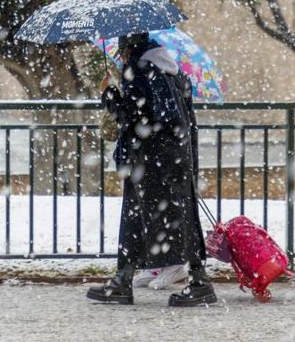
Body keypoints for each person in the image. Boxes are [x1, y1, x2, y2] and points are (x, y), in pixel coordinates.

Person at [86, 32, 215, 307]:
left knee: (135, 219)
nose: (121, 58)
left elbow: (133, 117)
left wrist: (109, 94)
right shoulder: (172, 71)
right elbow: (182, 117)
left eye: (122, 52)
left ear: (128, 49)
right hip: (175, 156)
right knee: (180, 215)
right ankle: (194, 279)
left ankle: (127, 281)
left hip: (148, 158)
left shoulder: (139, 70)